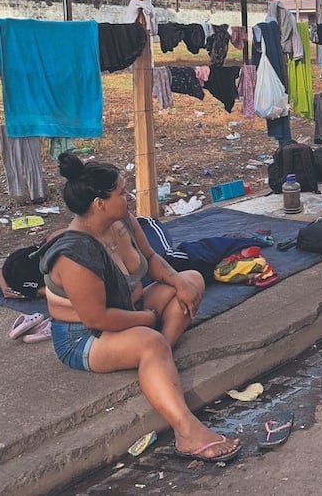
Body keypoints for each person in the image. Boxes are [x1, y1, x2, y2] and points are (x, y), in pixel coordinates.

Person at [40, 152, 241, 463]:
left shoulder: (122, 221)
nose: (129, 197)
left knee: (192, 280)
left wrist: (177, 282)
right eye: (122, 192)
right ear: (100, 203)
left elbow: (151, 259)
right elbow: (97, 318)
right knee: (150, 341)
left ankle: (158, 358)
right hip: (85, 337)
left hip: (130, 308)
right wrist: (146, 319)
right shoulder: (75, 254)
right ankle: (186, 432)